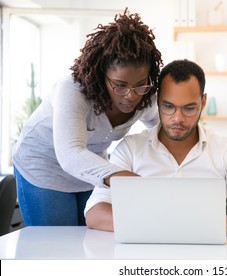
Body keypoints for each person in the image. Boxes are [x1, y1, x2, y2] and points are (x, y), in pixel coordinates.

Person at [85, 59, 227, 235]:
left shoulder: (226, 149)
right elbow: (94, 212)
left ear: (203, 102)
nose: (178, 119)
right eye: (168, 107)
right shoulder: (131, 149)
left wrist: (213, 226)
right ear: (157, 102)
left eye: (189, 108)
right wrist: (154, 227)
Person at [12, 8, 163, 226]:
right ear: (102, 75)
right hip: (44, 165)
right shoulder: (72, 90)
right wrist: (128, 179)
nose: (131, 96)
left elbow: (162, 129)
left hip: (90, 171)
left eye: (140, 84)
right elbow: (70, 154)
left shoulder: (144, 96)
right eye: (120, 85)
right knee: (57, 246)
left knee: (93, 242)